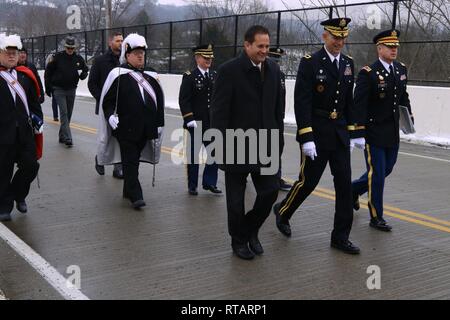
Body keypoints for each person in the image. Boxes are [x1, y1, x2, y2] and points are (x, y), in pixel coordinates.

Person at [272, 18, 363, 254]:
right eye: (335, 38)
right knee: (308, 182)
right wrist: (306, 136)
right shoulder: (310, 62)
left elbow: (348, 101)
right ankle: (283, 212)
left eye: (343, 38)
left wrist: (354, 132)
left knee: (344, 186)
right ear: (325, 37)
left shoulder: (348, 63)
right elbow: (302, 101)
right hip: (318, 133)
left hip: (340, 133)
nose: (339, 42)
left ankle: (340, 237)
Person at [210, 25, 284, 260]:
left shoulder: (274, 69)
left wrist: (278, 141)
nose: (264, 51)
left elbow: (277, 111)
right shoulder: (228, 71)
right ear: (247, 45)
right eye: (260, 46)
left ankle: (250, 229)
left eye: (267, 46)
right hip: (235, 144)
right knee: (235, 201)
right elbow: (218, 111)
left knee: (270, 192)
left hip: (265, 145)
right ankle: (239, 241)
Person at [352, 30, 412, 232]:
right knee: (377, 174)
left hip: (392, 130)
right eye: (390, 46)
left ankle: (351, 190)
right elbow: (358, 104)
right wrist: (358, 131)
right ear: (379, 49)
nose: (394, 50)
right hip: (374, 131)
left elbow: (403, 97)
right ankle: (376, 216)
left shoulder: (401, 69)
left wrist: (408, 119)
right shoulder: (368, 73)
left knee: (387, 168)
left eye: (396, 46)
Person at [99, 33, 165, 209]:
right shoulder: (118, 75)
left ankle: (128, 190)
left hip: (146, 128)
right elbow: (108, 101)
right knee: (130, 160)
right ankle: (137, 195)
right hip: (125, 128)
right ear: (127, 55)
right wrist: (110, 115)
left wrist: (159, 123)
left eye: (142, 52)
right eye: (136, 52)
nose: (140, 55)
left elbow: (159, 102)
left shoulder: (151, 75)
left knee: (134, 161)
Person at [0, 34, 43, 222]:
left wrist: (37, 119)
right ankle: (4, 205)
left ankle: (18, 194)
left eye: (14, 53)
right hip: (3, 133)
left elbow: (34, 103)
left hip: (24, 133)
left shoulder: (25, 76)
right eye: (7, 53)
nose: (11, 56)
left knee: (31, 166)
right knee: (3, 170)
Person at [179, 44, 222, 196]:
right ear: (197, 58)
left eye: (210, 57)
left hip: (212, 123)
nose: (209, 60)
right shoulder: (189, 76)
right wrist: (189, 118)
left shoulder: (215, 75)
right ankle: (192, 185)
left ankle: (210, 182)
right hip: (196, 122)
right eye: (205, 57)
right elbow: (184, 100)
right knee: (193, 156)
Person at [88, 32, 124, 179]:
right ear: (110, 42)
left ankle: (118, 168)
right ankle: (100, 159)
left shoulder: (125, 60)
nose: (120, 43)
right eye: (117, 41)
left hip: (122, 106)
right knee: (106, 137)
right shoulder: (100, 61)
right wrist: (102, 99)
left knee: (120, 137)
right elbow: (92, 84)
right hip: (105, 107)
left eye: (122, 40)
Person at [44, 36, 88, 148]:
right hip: (59, 89)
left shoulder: (78, 59)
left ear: (74, 48)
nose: (70, 50)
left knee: (68, 114)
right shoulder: (57, 57)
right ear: (65, 47)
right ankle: (68, 137)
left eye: (72, 48)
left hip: (71, 89)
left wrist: (83, 75)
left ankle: (62, 135)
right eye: (68, 48)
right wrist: (48, 87)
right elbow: (48, 72)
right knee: (63, 113)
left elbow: (85, 70)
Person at [268, 47, 293, 192]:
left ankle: (276, 178)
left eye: (278, 60)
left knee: (277, 148)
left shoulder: (281, 75)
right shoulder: (262, 73)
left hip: (278, 119)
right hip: (265, 119)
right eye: (273, 59)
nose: (276, 62)